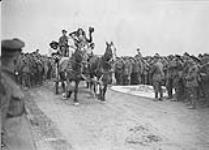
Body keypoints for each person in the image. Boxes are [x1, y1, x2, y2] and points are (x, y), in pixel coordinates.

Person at [0, 38, 36, 150]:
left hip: (19, 128)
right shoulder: (3, 80)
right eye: (22, 58)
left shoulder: (9, 76)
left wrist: (28, 114)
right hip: (12, 132)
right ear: (15, 59)